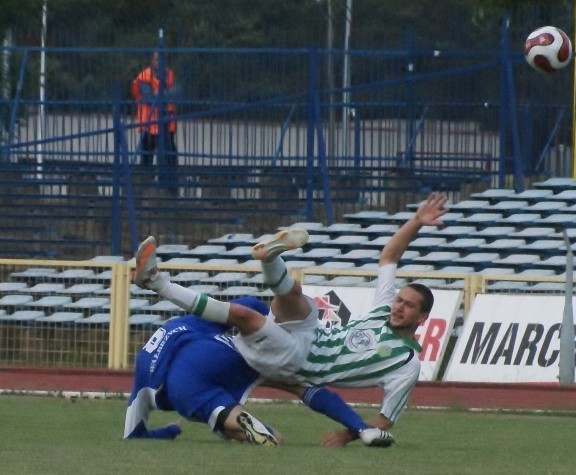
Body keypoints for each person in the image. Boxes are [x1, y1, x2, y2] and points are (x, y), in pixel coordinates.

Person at [133, 192, 448, 447]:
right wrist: (417, 221)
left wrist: (348, 434)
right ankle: (271, 258)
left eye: (407, 306)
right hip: (314, 333)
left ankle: (157, 283)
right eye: (399, 299)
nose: (398, 306)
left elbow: (385, 420)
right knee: (292, 295)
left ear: (422, 316)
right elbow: (389, 257)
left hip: (300, 361)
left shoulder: (406, 363)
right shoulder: (383, 308)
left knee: (245, 315)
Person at [124, 295, 391, 447]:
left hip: (184, 386)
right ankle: (362, 428)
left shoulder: (143, 367)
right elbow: (246, 304)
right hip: (226, 354)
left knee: (261, 432)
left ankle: (244, 427)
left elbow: (133, 434)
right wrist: (269, 322)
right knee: (297, 385)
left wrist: (169, 431)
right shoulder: (186, 324)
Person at [131, 51, 178, 194]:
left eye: (162, 59)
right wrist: (161, 95)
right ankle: (143, 190)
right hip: (149, 124)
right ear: (152, 60)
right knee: (146, 159)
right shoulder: (144, 76)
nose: (160, 62)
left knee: (169, 157)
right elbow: (148, 97)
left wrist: (162, 95)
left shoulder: (169, 75)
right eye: (157, 59)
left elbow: (174, 93)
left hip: (166, 124)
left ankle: (170, 191)